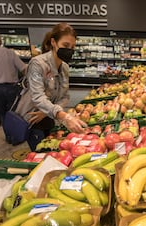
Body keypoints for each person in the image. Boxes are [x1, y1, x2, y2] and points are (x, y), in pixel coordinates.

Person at [16, 23, 86, 151]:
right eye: (65, 45)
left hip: (50, 116)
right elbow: (37, 96)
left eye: (72, 46)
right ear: (53, 42)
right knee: (40, 152)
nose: (69, 50)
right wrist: (63, 116)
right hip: (33, 119)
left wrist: (48, 112)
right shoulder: (37, 64)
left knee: (53, 149)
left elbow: (65, 96)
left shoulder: (64, 67)